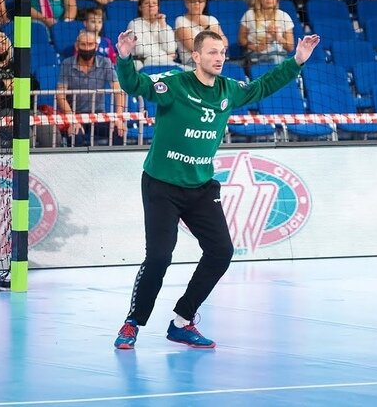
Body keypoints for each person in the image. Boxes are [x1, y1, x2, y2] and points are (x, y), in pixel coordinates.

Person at [112, 29, 321, 350]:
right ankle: (133, 323)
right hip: (162, 185)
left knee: (221, 252)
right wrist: (125, 57)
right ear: (195, 56)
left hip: (200, 187)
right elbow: (135, 85)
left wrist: (297, 61)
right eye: (212, 52)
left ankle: (182, 320)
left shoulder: (228, 89)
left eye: (222, 52)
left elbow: (263, 86)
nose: (219, 57)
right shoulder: (175, 85)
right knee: (159, 257)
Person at [56, 30, 125, 146]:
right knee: (75, 135)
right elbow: (60, 95)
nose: (87, 48)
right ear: (77, 46)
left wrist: (119, 118)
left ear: (96, 46)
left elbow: (119, 91)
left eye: (90, 44)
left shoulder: (105, 63)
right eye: (83, 44)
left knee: (118, 131)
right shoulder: (67, 64)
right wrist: (72, 119)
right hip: (75, 115)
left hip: (98, 116)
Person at [238, 0, 294, 65]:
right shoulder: (249, 14)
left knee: (277, 61)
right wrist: (255, 47)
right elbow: (241, 39)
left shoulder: (284, 16)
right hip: (255, 54)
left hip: (278, 55)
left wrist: (277, 37)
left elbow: (290, 47)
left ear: (277, 0)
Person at [175, 0, 228, 67]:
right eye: (193, 1)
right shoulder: (181, 20)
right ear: (186, 3)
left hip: (215, 59)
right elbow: (194, 47)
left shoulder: (211, 19)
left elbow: (224, 44)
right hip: (192, 62)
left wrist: (207, 26)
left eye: (200, 1)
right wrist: (208, 29)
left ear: (204, 3)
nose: (197, 3)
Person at [126, 0, 177, 70]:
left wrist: (163, 25)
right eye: (147, 3)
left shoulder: (165, 25)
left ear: (158, 7)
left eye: (154, 3)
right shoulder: (134, 24)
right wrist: (165, 56)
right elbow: (140, 50)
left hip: (166, 62)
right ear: (140, 8)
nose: (151, 5)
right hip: (143, 63)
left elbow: (171, 49)